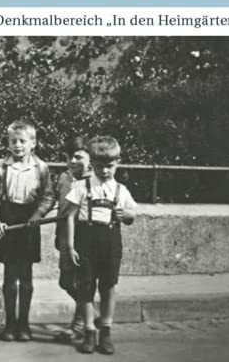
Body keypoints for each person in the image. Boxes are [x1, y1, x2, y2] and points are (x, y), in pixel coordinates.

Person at [65, 136, 136, 355]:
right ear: (92, 164)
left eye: (109, 166)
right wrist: (70, 246)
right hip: (86, 240)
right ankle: (89, 330)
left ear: (117, 163)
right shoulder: (81, 186)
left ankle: (105, 330)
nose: (104, 171)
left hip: (110, 241)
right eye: (99, 166)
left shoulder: (121, 190)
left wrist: (126, 215)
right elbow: (70, 216)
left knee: (108, 286)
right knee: (85, 287)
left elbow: (132, 216)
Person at [0, 120, 55, 342]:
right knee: (10, 276)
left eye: (22, 141)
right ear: (8, 143)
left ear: (33, 143)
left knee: (26, 276)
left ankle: (24, 324)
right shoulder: (0, 166)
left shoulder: (41, 167)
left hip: (29, 222)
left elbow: (48, 196)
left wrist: (38, 215)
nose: (18, 145)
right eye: (13, 141)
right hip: (9, 221)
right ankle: (9, 324)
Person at [53, 136, 92, 343]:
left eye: (78, 157)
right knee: (66, 281)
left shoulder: (94, 181)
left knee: (83, 282)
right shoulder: (64, 178)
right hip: (64, 237)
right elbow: (55, 203)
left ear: (90, 158)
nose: (73, 161)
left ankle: (79, 325)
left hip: (85, 239)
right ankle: (90, 313)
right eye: (69, 157)